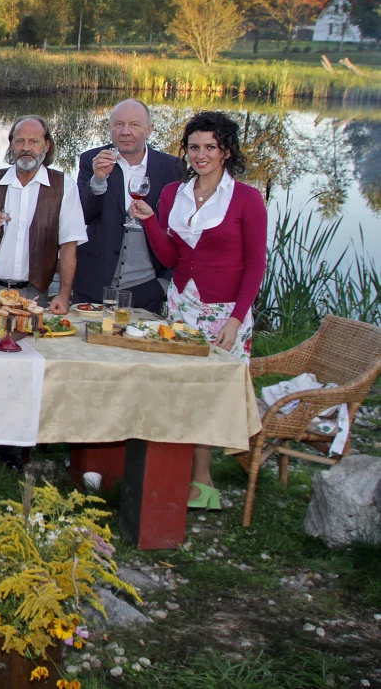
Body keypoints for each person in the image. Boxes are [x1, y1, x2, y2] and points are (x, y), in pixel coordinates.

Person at [130, 111, 267, 511]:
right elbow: (170, 256)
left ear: (226, 151)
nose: (201, 155)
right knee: (178, 389)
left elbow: (256, 265)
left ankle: (203, 479)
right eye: (194, 147)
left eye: (210, 147)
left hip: (225, 312)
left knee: (210, 394)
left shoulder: (246, 198)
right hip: (181, 306)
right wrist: (152, 220)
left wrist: (237, 320)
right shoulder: (174, 193)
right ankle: (169, 470)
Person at [74, 99, 185, 313]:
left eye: (134, 124)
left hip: (147, 286)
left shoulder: (172, 167)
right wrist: (97, 180)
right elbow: (82, 217)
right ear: (110, 128)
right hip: (94, 284)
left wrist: (164, 283)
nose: (125, 131)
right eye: (119, 124)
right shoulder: (92, 160)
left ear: (149, 130)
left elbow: (179, 229)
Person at [0, 115, 87, 313]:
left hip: (35, 294)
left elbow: (69, 246)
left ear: (46, 146)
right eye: (20, 141)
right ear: (11, 145)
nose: (26, 148)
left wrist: (64, 294)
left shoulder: (64, 186)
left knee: (32, 343)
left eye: (34, 141)